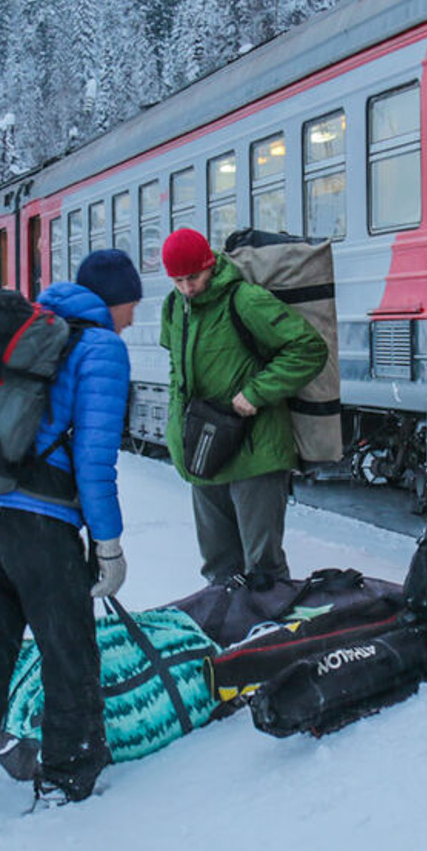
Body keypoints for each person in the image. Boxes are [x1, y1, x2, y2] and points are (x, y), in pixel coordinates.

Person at [0, 248, 141, 840]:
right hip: (41, 529)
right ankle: (67, 781)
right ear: (114, 300)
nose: (132, 318)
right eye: (131, 305)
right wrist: (108, 545)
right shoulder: (101, 347)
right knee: (68, 657)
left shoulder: (25, 329)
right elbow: (95, 462)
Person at [159, 228, 327, 586]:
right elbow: (176, 372)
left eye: (193, 277)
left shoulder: (245, 300)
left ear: (210, 264)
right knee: (219, 568)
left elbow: (308, 348)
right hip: (204, 449)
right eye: (178, 281)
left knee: (263, 570)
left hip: (256, 450)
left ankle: (269, 620)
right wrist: (177, 433)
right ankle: (228, 620)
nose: (187, 288)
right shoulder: (174, 307)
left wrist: (256, 393)